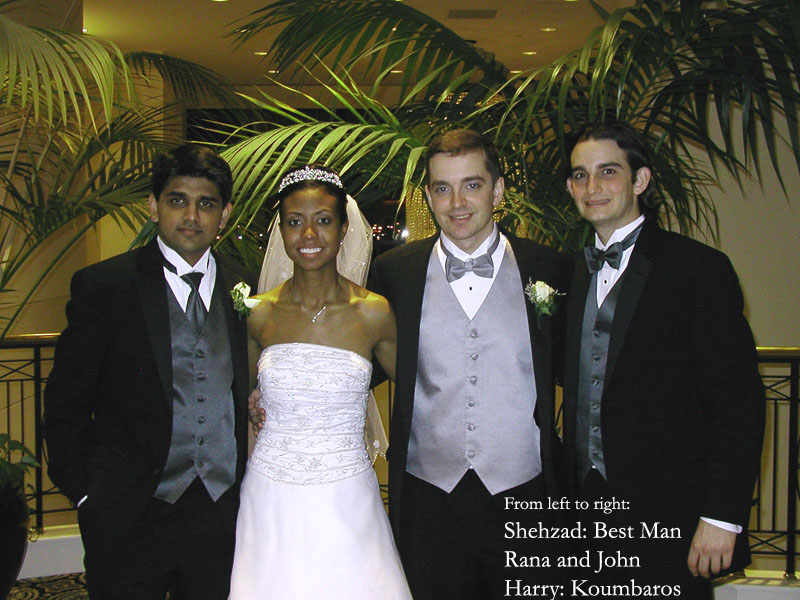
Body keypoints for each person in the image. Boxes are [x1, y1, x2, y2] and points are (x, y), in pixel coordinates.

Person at [562, 121, 765, 599]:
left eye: (608, 171)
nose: (592, 187)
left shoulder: (698, 269)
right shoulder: (569, 274)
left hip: (672, 513)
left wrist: (721, 516)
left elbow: (738, 404)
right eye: (580, 175)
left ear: (640, 180)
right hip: (585, 512)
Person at [43, 144, 253, 599]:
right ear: (154, 206)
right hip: (129, 514)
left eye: (206, 203)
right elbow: (65, 404)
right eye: (178, 200)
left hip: (220, 516)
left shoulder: (247, 287)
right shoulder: (106, 286)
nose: (192, 216)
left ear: (224, 215)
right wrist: (86, 494)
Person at [370, 129, 573, 599]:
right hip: (428, 497)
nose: (457, 202)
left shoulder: (551, 269)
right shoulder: (394, 272)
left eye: (472, 185)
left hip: (525, 490)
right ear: (428, 197)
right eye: (443, 188)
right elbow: (363, 363)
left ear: (497, 191)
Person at [228, 165, 411, 599]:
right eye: (295, 221)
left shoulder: (374, 312)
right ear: (281, 231)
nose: (308, 234)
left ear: (344, 228)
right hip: (271, 493)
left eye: (323, 220)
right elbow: (236, 398)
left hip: (347, 493)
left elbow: (418, 394)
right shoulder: (258, 313)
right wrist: (253, 405)